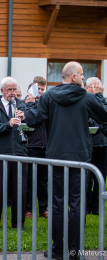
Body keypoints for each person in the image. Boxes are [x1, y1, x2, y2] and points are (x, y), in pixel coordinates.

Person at [25, 62, 107, 260]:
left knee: (58, 204)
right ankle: (75, 252)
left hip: (56, 157)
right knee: (77, 204)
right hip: (79, 158)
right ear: (73, 77)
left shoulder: (47, 97)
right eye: (81, 74)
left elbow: (32, 120)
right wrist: (98, 96)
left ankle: (57, 250)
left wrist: (28, 104)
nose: (83, 78)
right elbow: (104, 116)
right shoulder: (87, 97)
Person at [0, 77, 28, 230]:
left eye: (14, 89)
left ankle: (18, 223)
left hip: (20, 152)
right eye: (9, 90)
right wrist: (7, 125)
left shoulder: (22, 106)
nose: (12, 93)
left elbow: (33, 127)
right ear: (2, 90)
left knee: (20, 190)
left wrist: (26, 119)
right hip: (0, 153)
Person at [25, 76, 48, 219]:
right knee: (29, 180)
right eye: (37, 89)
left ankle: (43, 208)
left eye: (42, 89)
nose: (39, 92)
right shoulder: (24, 103)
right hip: (30, 146)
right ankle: (28, 209)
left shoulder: (46, 104)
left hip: (44, 147)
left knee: (42, 180)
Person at [86, 77, 107, 215]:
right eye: (93, 86)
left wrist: (100, 97)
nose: (95, 88)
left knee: (101, 176)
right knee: (87, 176)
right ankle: (87, 205)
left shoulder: (103, 100)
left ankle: (97, 206)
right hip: (88, 144)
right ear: (87, 88)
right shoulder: (85, 100)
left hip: (103, 144)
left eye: (98, 86)